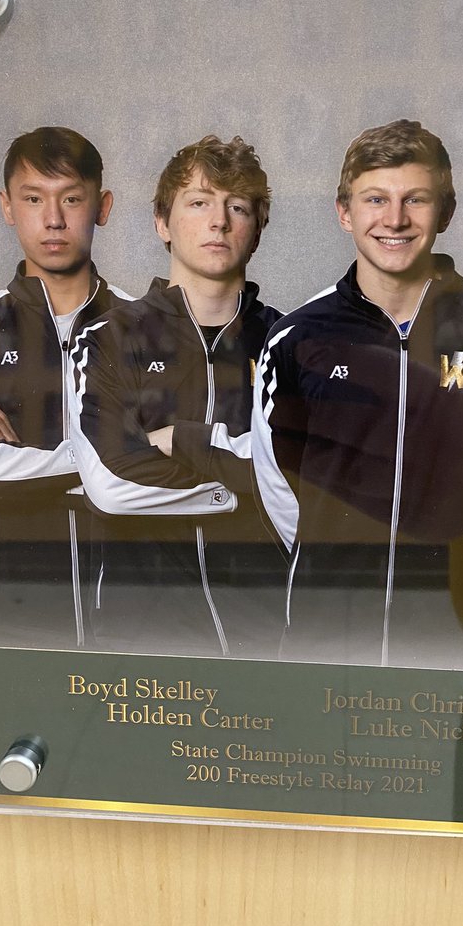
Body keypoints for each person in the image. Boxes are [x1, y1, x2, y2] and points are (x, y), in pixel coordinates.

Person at [251, 119, 463, 668]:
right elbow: (277, 489)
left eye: (416, 199)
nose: (395, 219)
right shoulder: (298, 337)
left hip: (455, 641)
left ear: (446, 212)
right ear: (345, 213)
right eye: (375, 199)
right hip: (325, 640)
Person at [70, 135, 285, 658]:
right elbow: (112, 483)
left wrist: (183, 441)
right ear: (162, 223)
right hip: (142, 633)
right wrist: (240, 494)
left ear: (256, 229)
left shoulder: (293, 342)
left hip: (270, 629)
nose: (219, 221)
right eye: (199, 202)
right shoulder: (105, 338)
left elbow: (308, 478)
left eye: (237, 207)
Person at [0, 126, 130, 649]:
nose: (53, 219)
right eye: (33, 199)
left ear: (102, 206)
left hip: (131, 608)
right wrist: (112, 452)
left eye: (71, 199)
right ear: (8, 207)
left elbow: (170, 471)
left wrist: (29, 454)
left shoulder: (143, 328)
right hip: (19, 614)